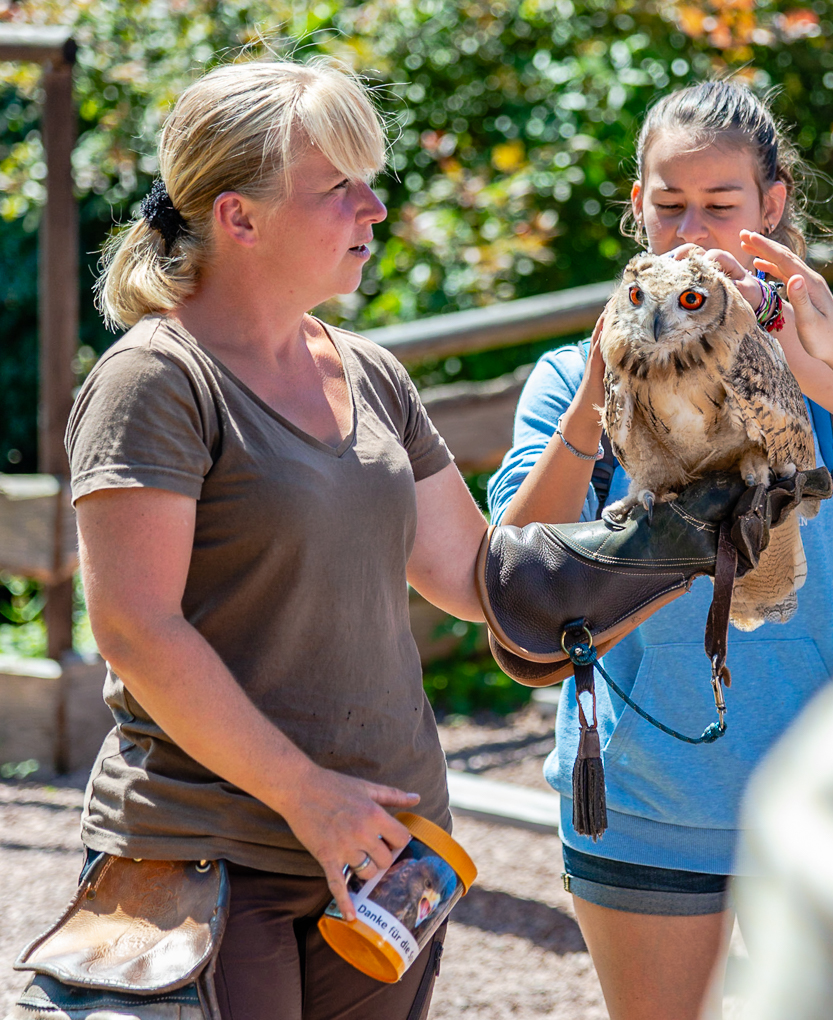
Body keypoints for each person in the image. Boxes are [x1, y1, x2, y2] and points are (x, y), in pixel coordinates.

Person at [54, 59, 490, 1020]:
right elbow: (134, 627)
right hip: (210, 851)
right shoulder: (156, 380)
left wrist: (632, 473)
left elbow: (472, 576)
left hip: (388, 852)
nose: (374, 208)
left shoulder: (371, 373)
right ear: (235, 216)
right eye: (339, 187)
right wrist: (307, 794)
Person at [488, 80, 833, 1020]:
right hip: (649, 793)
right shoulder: (569, 373)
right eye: (666, 204)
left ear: (772, 207)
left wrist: (820, 381)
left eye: (719, 207)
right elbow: (513, 561)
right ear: (634, 207)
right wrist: (596, 393)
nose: (690, 233)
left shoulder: (828, 350)